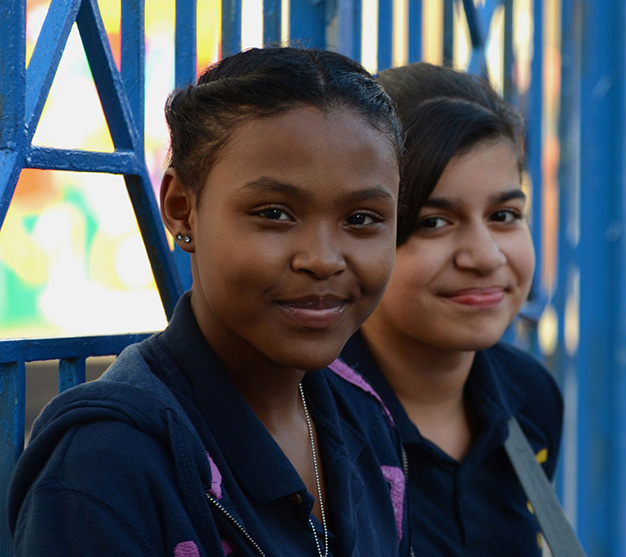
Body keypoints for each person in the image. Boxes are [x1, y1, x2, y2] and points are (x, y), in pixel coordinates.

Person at [8, 47, 409, 556]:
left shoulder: (365, 423)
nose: (323, 259)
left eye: (361, 219)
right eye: (274, 213)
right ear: (182, 208)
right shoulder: (105, 463)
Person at [336, 62, 564, 556]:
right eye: (434, 222)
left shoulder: (530, 397)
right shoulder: (310, 424)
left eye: (504, 216)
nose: (484, 256)